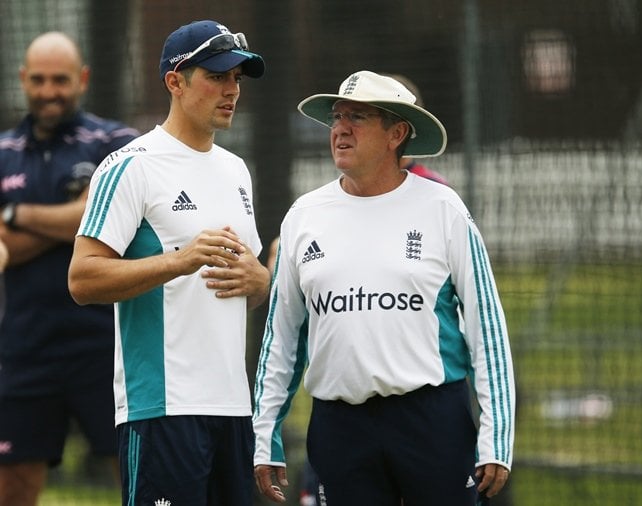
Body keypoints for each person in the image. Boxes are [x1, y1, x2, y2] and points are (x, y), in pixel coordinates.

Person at [253, 71, 515, 505]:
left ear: (397, 133)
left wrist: (497, 437)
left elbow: (487, 329)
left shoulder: (442, 207)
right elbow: (280, 341)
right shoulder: (304, 214)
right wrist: (264, 437)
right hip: (338, 426)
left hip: (432, 420)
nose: (340, 128)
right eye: (337, 117)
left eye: (358, 116)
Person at [67, 19, 270, 505]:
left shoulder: (236, 170)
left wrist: (261, 279)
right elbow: (82, 277)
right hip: (161, 411)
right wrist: (178, 261)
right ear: (174, 82)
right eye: (217, 76)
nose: (231, 90)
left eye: (237, 79)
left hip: (233, 409)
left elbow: (253, 280)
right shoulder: (129, 166)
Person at [0, 31, 139, 506]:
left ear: (81, 79)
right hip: (23, 349)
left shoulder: (115, 143)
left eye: (60, 80)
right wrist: (76, 216)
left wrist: (16, 214)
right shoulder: (1, 152)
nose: (48, 91)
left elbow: (106, 218)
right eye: (38, 80)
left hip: (106, 346)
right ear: (23, 80)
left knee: (137, 478)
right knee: (13, 484)